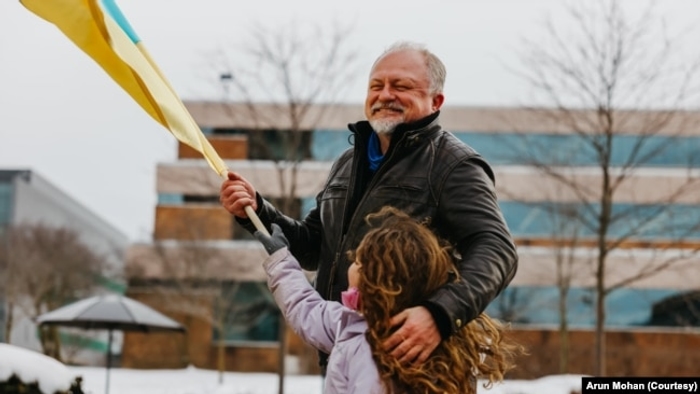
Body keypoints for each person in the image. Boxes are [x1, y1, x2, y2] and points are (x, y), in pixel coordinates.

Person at [220, 41, 518, 369]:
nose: (384, 94)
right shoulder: (348, 162)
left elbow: (497, 249)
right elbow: (313, 248)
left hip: (412, 367)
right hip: (345, 355)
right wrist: (258, 212)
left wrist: (440, 315)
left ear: (436, 101)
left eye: (401, 86)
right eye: (376, 86)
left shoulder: (455, 165)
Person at [255, 206, 521, 394]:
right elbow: (305, 308)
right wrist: (280, 258)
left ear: (380, 280)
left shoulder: (379, 349)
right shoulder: (351, 322)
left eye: (358, 261)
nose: (351, 264)